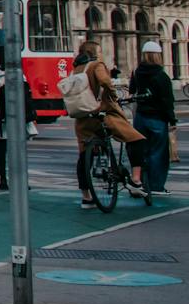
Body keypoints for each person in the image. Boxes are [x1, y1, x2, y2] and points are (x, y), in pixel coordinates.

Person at [62, 40, 119, 209]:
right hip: (95, 113)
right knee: (113, 138)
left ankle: (86, 196)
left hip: (80, 116)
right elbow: (105, 82)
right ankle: (120, 176)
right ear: (94, 53)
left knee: (83, 156)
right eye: (100, 51)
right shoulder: (95, 65)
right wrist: (112, 95)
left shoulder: (77, 68)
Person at [128, 41, 176, 196]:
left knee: (142, 151)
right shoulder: (161, 76)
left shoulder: (137, 73)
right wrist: (172, 120)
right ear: (158, 56)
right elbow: (167, 101)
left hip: (140, 117)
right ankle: (156, 186)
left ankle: (142, 183)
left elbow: (132, 91)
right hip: (157, 118)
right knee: (158, 153)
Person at [0, 45, 33, 191]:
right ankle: (21, 179)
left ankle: (2, 179)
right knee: (18, 149)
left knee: (0, 148)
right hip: (15, 115)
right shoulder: (18, 73)